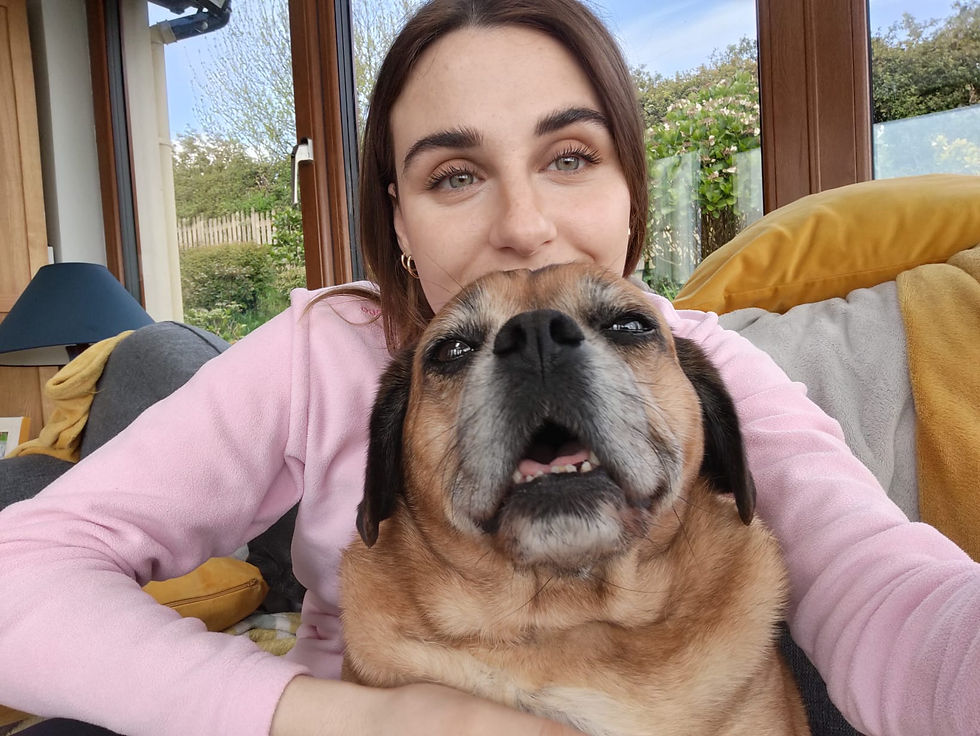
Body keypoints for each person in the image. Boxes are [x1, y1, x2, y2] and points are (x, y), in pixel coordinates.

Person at [1, 1, 977, 735]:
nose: (522, 225)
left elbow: (880, 591)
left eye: (570, 157)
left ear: (631, 191)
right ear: (397, 218)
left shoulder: (703, 359)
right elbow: (21, 569)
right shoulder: (323, 350)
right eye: (455, 175)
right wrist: (337, 719)